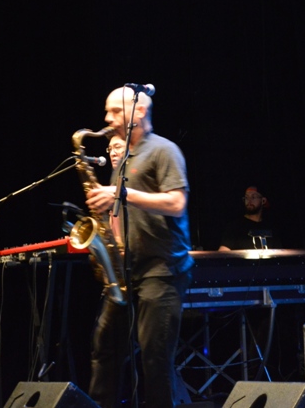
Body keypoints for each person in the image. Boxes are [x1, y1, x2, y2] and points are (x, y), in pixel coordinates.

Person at [85, 86, 194, 408]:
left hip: (162, 270)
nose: (107, 118)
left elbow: (177, 203)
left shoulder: (164, 150)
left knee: (155, 361)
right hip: (127, 270)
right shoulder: (125, 158)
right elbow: (125, 210)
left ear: (140, 113)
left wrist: (121, 195)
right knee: (104, 349)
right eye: (107, 111)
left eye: (115, 111)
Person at [219, 186, 279, 250]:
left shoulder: (270, 227)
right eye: (246, 197)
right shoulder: (235, 227)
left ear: (263, 200)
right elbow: (223, 253)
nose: (249, 201)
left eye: (253, 197)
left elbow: (280, 254)